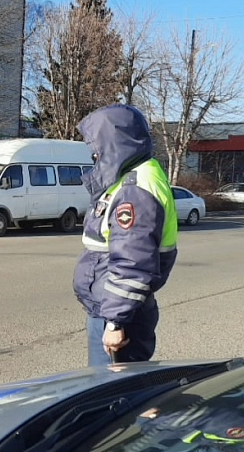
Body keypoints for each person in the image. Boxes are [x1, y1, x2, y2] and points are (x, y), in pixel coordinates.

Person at [73, 104, 178, 366]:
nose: (94, 155)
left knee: (112, 397)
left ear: (113, 143)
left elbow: (133, 262)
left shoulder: (135, 189)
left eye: (96, 147)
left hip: (122, 318)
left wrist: (115, 322)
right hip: (113, 310)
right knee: (110, 392)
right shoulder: (131, 179)